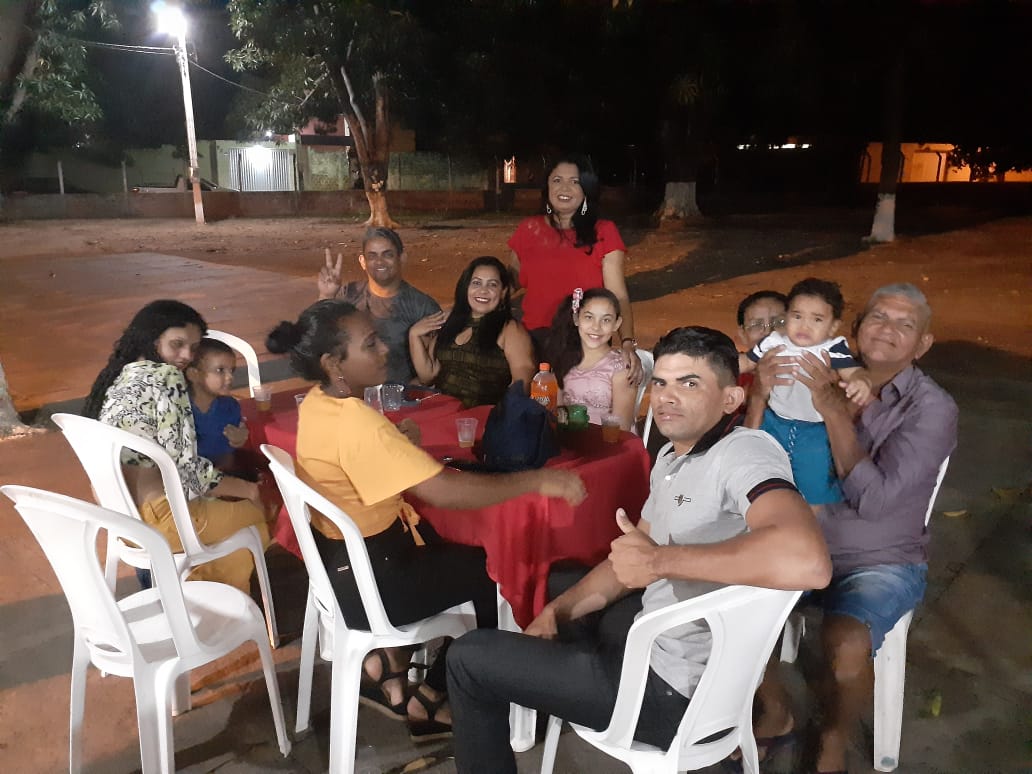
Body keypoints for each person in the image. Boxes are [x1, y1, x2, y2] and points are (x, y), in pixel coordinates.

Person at [445, 326, 832, 774]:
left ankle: (564, 693)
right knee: (558, 585)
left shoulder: (743, 452)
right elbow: (630, 558)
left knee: (467, 659)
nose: (667, 397)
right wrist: (556, 611)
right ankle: (558, 682)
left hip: (673, 694)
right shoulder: (672, 457)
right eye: (661, 382)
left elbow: (809, 560)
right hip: (663, 644)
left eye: (690, 383)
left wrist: (659, 561)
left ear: (730, 399)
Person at [266, 300, 586, 742]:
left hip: (340, 572)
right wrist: (537, 481)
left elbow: (359, 457)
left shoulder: (319, 404)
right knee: (496, 573)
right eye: (370, 344)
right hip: (379, 584)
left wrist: (397, 445)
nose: (385, 349)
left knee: (455, 552)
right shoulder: (358, 423)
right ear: (333, 364)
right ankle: (437, 697)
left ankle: (396, 670)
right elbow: (443, 491)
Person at [747, 283, 958, 774]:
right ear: (856, 329)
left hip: (877, 558)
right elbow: (753, 454)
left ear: (923, 344)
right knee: (726, 600)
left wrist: (833, 413)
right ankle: (774, 709)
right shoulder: (817, 367)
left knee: (845, 642)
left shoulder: (931, 408)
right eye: (879, 317)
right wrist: (759, 393)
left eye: (905, 324)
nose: (887, 330)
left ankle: (834, 735)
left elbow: (875, 501)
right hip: (797, 541)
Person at [82, 300, 271, 593]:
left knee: (233, 534)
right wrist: (248, 490)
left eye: (193, 348)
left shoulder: (121, 376)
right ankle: (215, 598)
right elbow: (187, 471)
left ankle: (201, 596)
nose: (186, 356)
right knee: (261, 517)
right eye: (177, 344)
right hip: (162, 519)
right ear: (152, 338)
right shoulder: (166, 377)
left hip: (123, 519)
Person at [507, 153, 642, 384]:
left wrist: (628, 343)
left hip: (585, 342)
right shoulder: (529, 229)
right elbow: (508, 283)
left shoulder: (604, 232)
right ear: (547, 187)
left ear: (586, 190)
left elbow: (618, 295)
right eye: (557, 180)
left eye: (575, 181)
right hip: (532, 342)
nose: (564, 188)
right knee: (532, 402)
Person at [742, 278, 871, 508]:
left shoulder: (832, 349)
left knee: (814, 483)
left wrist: (860, 382)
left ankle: (816, 520)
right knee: (761, 474)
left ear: (833, 327)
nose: (804, 326)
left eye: (817, 319)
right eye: (797, 316)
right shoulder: (774, 342)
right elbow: (743, 362)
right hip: (773, 422)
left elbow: (854, 372)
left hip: (815, 432)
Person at [317, 226, 441, 384]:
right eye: (372, 256)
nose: (379, 262)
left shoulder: (423, 307)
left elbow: (433, 370)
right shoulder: (348, 295)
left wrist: (406, 392)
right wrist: (326, 295)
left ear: (402, 258)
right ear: (363, 262)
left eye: (387, 255)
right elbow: (318, 339)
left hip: (400, 394)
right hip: (353, 392)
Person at [407, 255, 535, 407]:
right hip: (443, 410)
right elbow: (428, 376)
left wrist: (504, 414)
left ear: (503, 292)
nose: (483, 290)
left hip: (485, 415)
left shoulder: (510, 330)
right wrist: (414, 335)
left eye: (492, 285)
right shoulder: (450, 320)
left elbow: (522, 381)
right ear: (466, 287)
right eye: (476, 283)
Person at [545, 287, 636, 430]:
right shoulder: (564, 361)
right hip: (569, 438)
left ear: (617, 324)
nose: (596, 327)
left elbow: (622, 428)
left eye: (606, 320)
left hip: (609, 440)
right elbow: (556, 413)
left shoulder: (621, 369)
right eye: (589, 317)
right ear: (576, 319)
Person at [185, 337, 249, 465]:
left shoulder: (230, 406)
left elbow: (230, 452)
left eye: (232, 370)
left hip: (225, 469)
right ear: (193, 374)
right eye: (220, 370)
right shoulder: (180, 410)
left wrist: (240, 437)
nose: (230, 377)